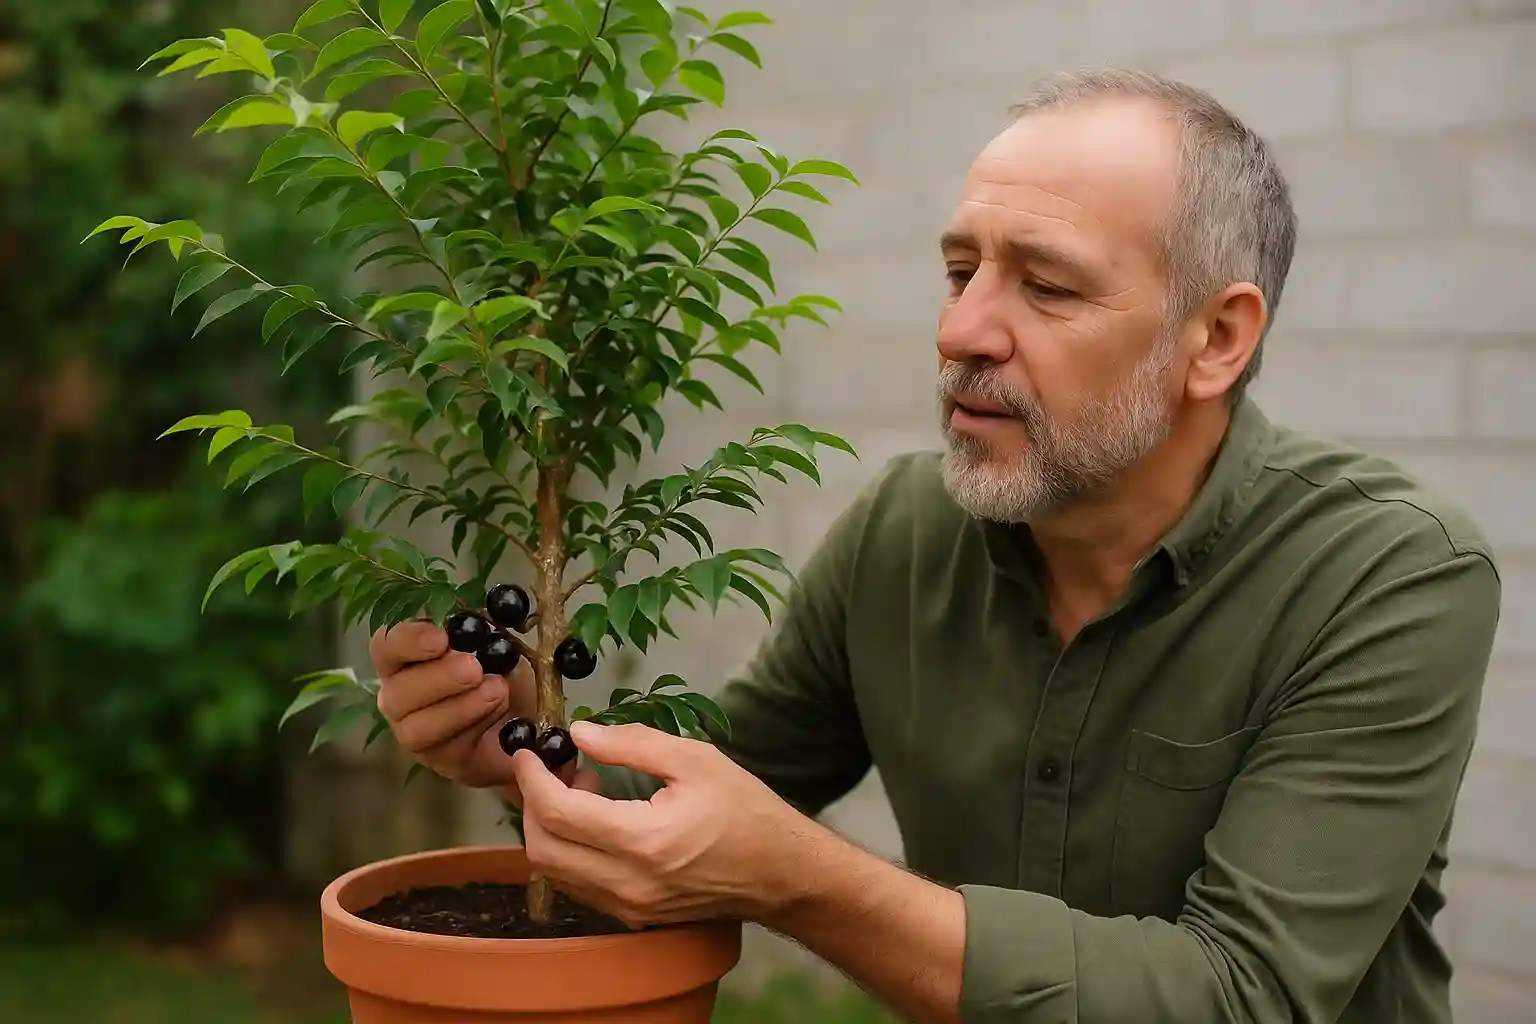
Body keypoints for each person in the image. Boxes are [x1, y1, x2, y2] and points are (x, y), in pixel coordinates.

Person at [370, 69, 1501, 1024]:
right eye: (961, 273)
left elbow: (1239, 996)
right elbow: (702, 800)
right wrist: (526, 748)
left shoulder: (1389, 576)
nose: (961, 331)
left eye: (1045, 286)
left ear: (1215, 338)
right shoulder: (904, 535)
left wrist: (804, 884)